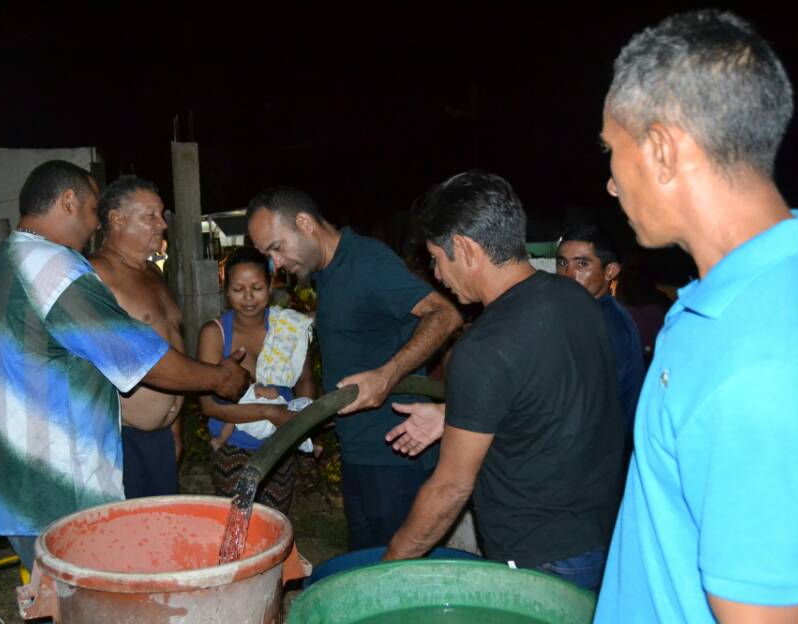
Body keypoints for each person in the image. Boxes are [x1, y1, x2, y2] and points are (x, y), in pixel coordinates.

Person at [576, 11, 798, 624]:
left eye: (613, 154)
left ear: (665, 150)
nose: (611, 184)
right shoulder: (743, 293)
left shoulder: (769, 356)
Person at [0, 160, 250, 624]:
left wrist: (0, 399)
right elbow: (146, 360)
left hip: (12, 491)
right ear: (69, 203)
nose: (92, 223)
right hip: (66, 494)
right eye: (91, 208)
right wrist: (221, 378)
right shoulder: (57, 268)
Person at [380, 170, 625, 591]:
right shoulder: (577, 300)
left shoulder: (484, 347)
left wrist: (388, 565)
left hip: (540, 556)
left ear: (465, 248)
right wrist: (453, 413)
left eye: (437, 260)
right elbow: (551, 396)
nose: (438, 275)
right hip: (605, 532)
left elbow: (449, 491)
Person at [248, 187, 463, 549]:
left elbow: (445, 314)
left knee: (395, 578)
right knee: (365, 567)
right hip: (357, 452)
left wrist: (386, 375)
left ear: (304, 224)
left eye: (276, 248)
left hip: (395, 454)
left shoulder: (366, 262)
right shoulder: (328, 274)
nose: (277, 264)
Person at [197, 246, 315, 514]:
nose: (248, 297)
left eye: (257, 288)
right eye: (238, 289)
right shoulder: (214, 335)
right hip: (232, 448)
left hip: (280, 446)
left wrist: (304, 420)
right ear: (226, 290)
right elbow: (209, 406)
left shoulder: (288, 329)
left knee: (275, 526)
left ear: (271, 286)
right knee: (238, 530)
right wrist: (270, 411)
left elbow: (305, 380)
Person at [91, 176, 184, 500]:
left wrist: (174, 425)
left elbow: (170, 347)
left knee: (161, 532)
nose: (161, 224)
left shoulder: (154, 273)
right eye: (150, 216)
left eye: (161, 215)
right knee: (127, 538)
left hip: (160, 436)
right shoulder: (96, 275)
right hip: (121, 438)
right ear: (117, 219)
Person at [555, 224, 644, 431]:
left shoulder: (604, 324)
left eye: (582, 264)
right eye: (562, 263)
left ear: (610, 271)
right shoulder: (587, 314)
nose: (567, 274)